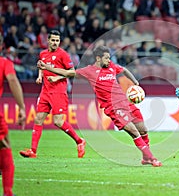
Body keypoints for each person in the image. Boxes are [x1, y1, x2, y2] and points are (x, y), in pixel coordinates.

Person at [37, 45, 162, 167]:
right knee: (134, 132)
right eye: (106, 58)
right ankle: (152, 158)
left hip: (126, 103)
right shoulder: (88, 71)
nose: (109, 60)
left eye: (109, 58)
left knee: (143, 130)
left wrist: (135, 82)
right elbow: (66, 72)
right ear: (98, 58)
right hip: (114, 108)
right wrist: (47, 67)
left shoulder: (112, 66)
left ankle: (146, 158)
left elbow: (124, 70)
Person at [19, 30, 86, 158]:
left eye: (57, 40)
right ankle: (33, 151)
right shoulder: (43, 53)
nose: (55, 43)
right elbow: (41, 66)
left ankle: (79, 141)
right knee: (38, 119)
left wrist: (56, 78)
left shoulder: (63, 55)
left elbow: (72, 72)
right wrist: (40, 76)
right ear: (48, 41)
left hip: (58, 91)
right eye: (53, 40)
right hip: (45, 90)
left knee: (58, 122)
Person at [0, 34, 26, 196]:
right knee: (5, 145)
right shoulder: (4, 63)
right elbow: (13, 80)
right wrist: (22, 107)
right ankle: (8, 192)